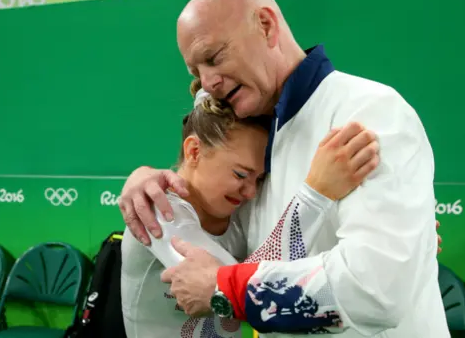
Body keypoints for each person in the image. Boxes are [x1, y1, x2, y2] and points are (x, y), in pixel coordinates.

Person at [119, 0, 447, 337]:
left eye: (213, 58)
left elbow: (376, 291)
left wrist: (224, 287)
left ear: (266, 25)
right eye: (197, 73)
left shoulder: (367, 113)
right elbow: (244, 259)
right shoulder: (260, 134)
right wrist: (143, 178)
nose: (208, 82)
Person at [121, 79, 380, 338]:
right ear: (194, 151)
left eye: (258, 178)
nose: (251, 192)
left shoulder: (238, 210)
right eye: (240, 174)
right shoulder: (155, 209)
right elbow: (243, 286)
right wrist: (317, 193)